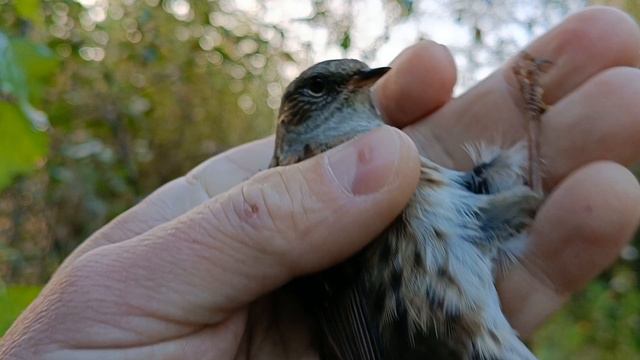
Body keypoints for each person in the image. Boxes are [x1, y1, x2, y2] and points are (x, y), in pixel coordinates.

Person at [1, 6, 639, 359]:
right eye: (321, 86)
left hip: (450, 296)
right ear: (293, 117)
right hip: (441, 330)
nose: (351, 88)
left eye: (358, 79)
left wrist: (533, 117)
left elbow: (498, 202)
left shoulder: (378, 155)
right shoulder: (302, 177)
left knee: (543, 200)